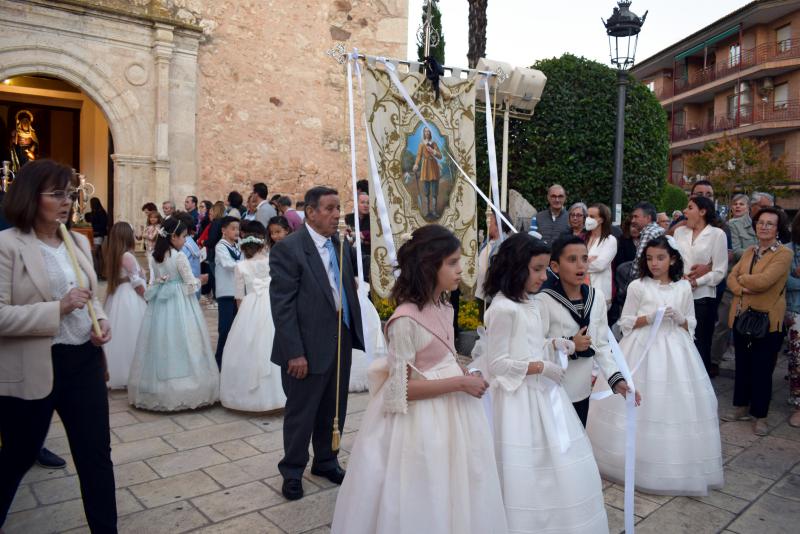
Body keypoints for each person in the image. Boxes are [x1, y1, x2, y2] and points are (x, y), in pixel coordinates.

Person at [331, 224, 506, 534]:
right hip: (419, 423)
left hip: (455, 413)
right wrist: (459, 384)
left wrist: (463, 372)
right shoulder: (404, 321)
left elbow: (443, 356)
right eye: (452, 263)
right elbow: (400, 390)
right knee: (425, 486)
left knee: (458, 482)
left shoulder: (444, 307)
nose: (460, 269)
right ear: (428, 265)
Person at [0, 159, 116, 532]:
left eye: (69, 193)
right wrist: (58, 309)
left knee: (96, 457)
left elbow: (90, 294)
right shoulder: (7, 245)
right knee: (17, 457)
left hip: (82, 360)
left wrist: (101, 321)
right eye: (57, 194)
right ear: (31, 197)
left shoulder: (76, 239)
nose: (66, 201)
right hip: (34, 365)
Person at [483, 233, 608, 533]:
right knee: (521, 458)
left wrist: (557, 344)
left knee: (548, 459)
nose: (543, 276)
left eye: (543, 269)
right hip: (516, 397)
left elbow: (531, 342)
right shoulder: (502, 308)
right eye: (536, 269)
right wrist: (541, 366)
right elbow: (497, 364)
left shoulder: (528, 302)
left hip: (538, 390)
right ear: (515, 267)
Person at [587, 236, 723, 495]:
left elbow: (691, 324)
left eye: (660, 258)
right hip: (641, 347)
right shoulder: (638, 286)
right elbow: (625, 322)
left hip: (675, 347)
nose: (654, 263)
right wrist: (647, 318)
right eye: (649, 258)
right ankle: (623, 459)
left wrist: (680, 318)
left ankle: (669, 465)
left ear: (672, 259)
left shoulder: (683, 288)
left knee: (672, 403)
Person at [270, 186, 364, 501]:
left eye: (338, 208)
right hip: (306, 348)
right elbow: (282, 307)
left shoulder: (341, 246)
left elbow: (347, 288)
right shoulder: (290, 249)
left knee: (333, 407)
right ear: (310, 212)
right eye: (330, 208)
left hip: (340, 340)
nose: (337, 214)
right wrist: (294, 353)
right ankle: (293, 471)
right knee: (302, 412)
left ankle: (326, 460)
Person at [537, 235, 638, 426]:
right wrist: (570, 344)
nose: (580, 265)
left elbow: (600, 344)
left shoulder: (596, 297)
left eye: (584, 258)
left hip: (581, 389)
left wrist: (616, 380)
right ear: (555, 267)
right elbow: (534, 345)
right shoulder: (544, 300)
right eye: (572, 260)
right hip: (552, 388)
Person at [127, 216, 217, 411]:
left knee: (162, 340)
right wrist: (201, 280)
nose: (185, 240)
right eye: (183, 236)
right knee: (183, 338)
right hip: (180, 303)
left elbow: (154, 280)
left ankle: (159, 385)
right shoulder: (179, 257)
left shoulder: (155, 256)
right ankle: (186, 385)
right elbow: (189, 284)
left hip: (160, 303)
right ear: (174, 237)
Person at [723, 207, 792, 436]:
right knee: (743, 365)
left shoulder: (783, 254)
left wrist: (742, 282)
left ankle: (761, 416)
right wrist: (741, 285)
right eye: (761, 222)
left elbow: (765, 281)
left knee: (763, 370)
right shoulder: (750, 251)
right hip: (743, 316)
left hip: (767, 319)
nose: (764, 227)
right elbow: (731, 277)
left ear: (778, 227)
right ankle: (741, 407)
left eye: (769, 223)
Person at [220, 221, 286, 412]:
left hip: (250, 305)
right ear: (262, 246)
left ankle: (247, 396)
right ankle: (279, 395)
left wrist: (243, 320)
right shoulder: (271, 261)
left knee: (247, 346)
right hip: (272, 304)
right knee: (272, 344)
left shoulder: (240, 267)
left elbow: (239, 298)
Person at [674, 196, 728, 375]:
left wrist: (697, 282)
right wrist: (677, 275)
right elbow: (673, 260)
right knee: (678, 341)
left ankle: (701, 385)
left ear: (702, 212)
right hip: (678, 294)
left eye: (690, 207)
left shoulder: (717, 234)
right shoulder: (679, 232)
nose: (685, 211)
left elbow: (720, 271)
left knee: (700, 342)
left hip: (703, 297)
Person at [103, 222, 147, 389]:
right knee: (133, 333)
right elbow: (136, 282)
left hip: (118, 296)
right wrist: (147, 296)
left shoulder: (114, 255)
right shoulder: (127, 256)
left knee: (121, 333)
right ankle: (132, 372)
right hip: (129, 296)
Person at [214, 216, 241, 368]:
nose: (236, 231)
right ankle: (219, 360)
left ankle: (232, 360)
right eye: (233, 228)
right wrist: (246, 265)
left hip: (237, 292)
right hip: (225, 292)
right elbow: (227, 264)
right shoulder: (221, 246)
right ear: (224, 230)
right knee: (225, 328)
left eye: (238, 228)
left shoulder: (237, 246)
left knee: (236, 327)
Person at [785, 212, 800, 428]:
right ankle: (798, 404)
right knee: (797, 360)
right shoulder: (788, 250)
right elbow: (786, 281)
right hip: (796, 310)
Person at [586, 203, 617, 309]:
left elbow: (600, 265)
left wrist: (581, 262)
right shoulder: (583, 238)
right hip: (582, 290)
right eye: (587, 216)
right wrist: (589, 260)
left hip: (600, 293)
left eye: (592, 217)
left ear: (602, 220)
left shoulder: (610, 240)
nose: (588, 219)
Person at [629, 201, 665, 279]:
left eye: (636, 217)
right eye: (632, 217)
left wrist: (632, 281)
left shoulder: (648, 233)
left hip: (646, 280)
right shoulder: (659, 229)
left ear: (648, 218)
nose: (632, 221)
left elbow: (639, 262)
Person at [413, 126, 443, 219]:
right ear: (424, 133)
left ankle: (434, 211)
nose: (427, 133)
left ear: (430, 133)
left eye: (428, 131)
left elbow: (440, 156)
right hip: (425, 168)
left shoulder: (433, 144)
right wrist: (416, 164)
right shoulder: (422, 144)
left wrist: (434, 151)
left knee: (434, 191)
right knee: (426, 192)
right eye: (425, 131)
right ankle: (427, 212)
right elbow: (418, 155)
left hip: (434, 168)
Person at [84, 197, 109, 278]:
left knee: (94, 254)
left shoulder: (101, 212)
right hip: (96, 235)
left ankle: (96, 274)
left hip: (98, 235)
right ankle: (101, 274)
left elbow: (102, 225)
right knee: (98, 255)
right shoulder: (96, 212)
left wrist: (93, 226)